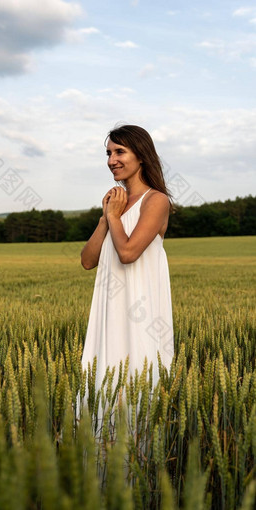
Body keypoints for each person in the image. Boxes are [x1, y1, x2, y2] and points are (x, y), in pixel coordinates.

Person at [80, 124, 174, 425]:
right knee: (105, 378)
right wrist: (106, 218)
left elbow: (129, 253)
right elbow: (87, 260)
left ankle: (135, 464)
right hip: (111, 312)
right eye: (108, 153)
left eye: (120, 151)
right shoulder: (115, 205)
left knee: (139, 379)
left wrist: (114, 217)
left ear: (142, 155)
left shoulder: (156, 200)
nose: (111, 160)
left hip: (141, 314)